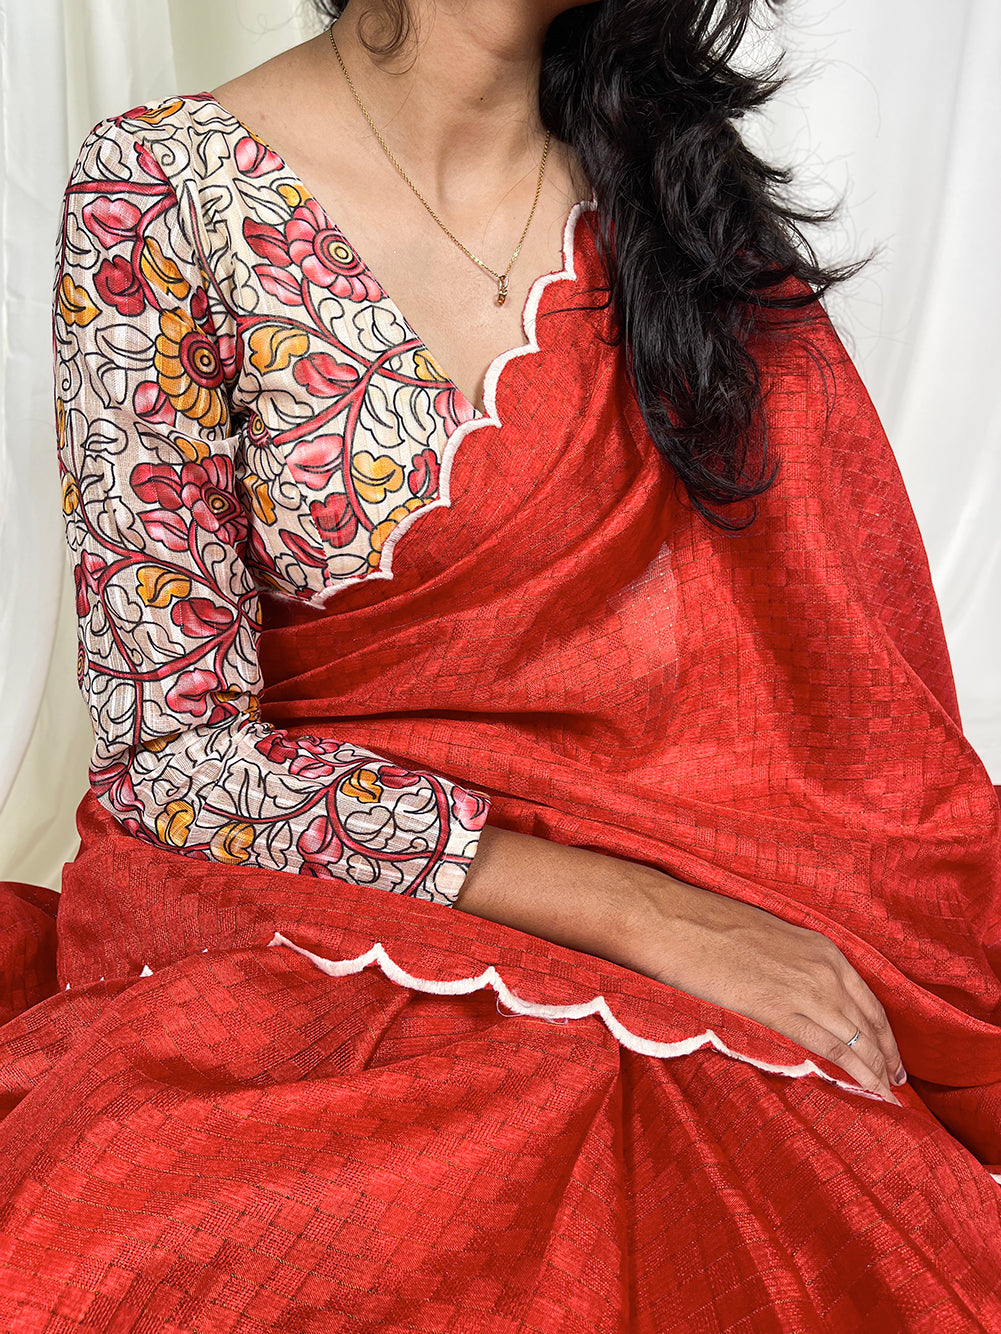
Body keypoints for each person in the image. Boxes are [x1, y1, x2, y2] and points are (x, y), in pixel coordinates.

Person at [0, 0, 998, 1329]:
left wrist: (719, 921)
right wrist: (646, 919)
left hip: (710, 895)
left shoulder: (667, 202)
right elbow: (172, 758)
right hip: (306, 922)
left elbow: (824, 696)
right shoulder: (164, 193)